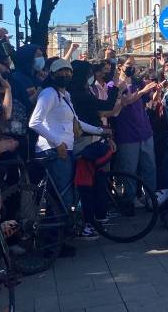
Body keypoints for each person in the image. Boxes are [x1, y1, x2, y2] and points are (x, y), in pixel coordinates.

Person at [29, 59, 108, 208]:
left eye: (68, 71)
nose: (65, 74)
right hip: (54, 150)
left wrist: (100, 131)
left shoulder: (66, 96)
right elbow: (34, 122)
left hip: (65, 149)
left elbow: (76, 122)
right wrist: (57, 143)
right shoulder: (49, 94)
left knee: (62, 194)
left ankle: (59, 228)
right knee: (64, 196)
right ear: (52, 75)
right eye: (60, 71)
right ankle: (63, 229)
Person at [112, 57, 160, 213]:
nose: (132, 68)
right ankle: (128, 201)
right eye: (128, 65)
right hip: (127, 134)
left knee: (149, 168)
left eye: (133, 66)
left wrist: (156, 92)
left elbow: (149, 100)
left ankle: (150, 199)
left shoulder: (138, 83)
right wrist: (142, 92)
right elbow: (124, 101)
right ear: (120, 67)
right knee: (128, 169)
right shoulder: (114, 85)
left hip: (145, 132)